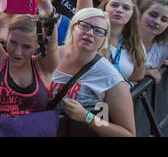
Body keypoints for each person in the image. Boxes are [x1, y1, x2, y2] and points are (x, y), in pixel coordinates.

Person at [49, 8, 136, 137]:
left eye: (98, 31)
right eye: (84, 26)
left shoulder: (110, 77)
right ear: (73, 27)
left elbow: (127, 133)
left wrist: (87, 117)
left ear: (104, 38)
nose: (90, 33)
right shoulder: (51, 56)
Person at [0, 0, 59, 117]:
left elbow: (52, 48)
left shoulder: (43, 67)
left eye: (26, 46)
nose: (17, 52)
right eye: (13, 43)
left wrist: (49, 15)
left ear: (38, 45)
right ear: (8, 36)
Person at [98, 0, 145, 83]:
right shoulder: (91, 35)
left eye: (126, 8)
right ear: (104, 8)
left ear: (132, 14)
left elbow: (137, 78)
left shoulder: (135, 43)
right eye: (114, 5)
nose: (119, 10)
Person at [139, 0, 168, 84]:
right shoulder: (122, 39)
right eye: (153, 15)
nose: (157, 21)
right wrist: (143, 73)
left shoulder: (162, 46)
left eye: (163, 20)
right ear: (141, 13)